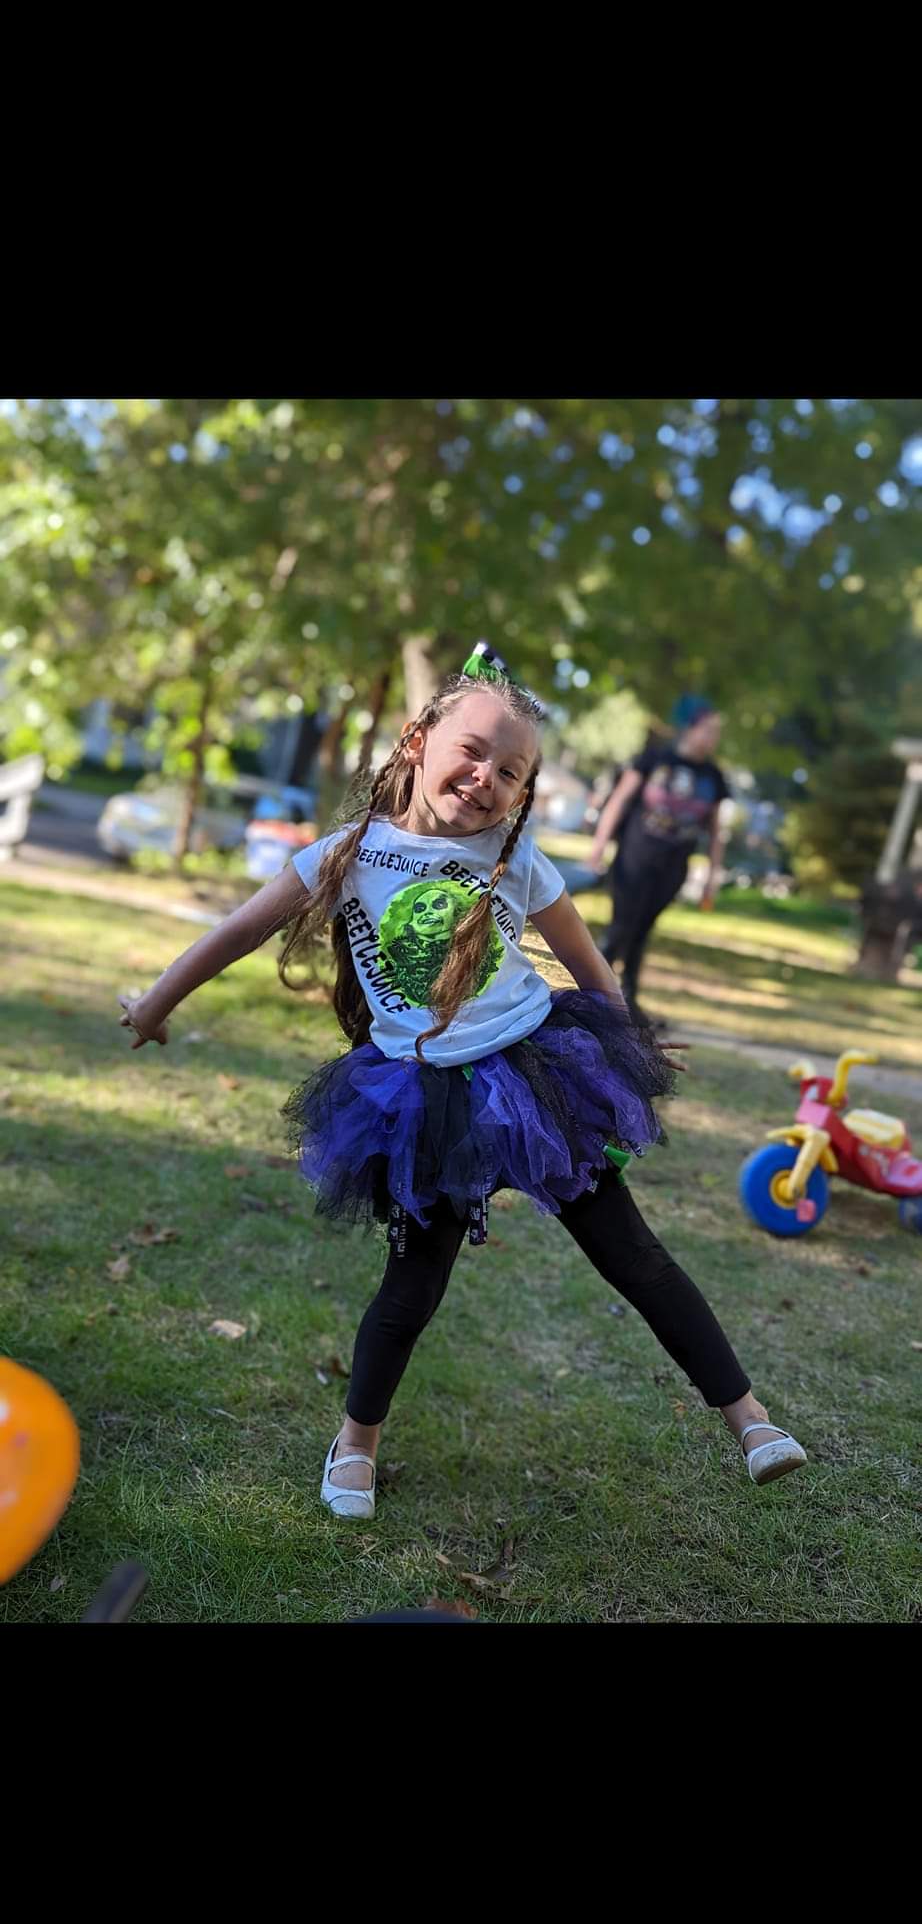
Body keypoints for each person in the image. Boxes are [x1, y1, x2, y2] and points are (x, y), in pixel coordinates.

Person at [118, 645, 805, 1523]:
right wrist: (154, 1005)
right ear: (415, 741)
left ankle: (752, 1423)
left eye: (509, 772)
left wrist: (633, 1047)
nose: (484, 778)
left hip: (540, 1080)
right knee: (414, 1284)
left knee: (634, 1255)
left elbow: (593, 971)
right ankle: (355, 1445)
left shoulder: (516, 861)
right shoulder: (345, 852)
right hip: (425, 1100)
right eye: (472, 752)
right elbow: (234, 933)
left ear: (523, 796)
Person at [587, 696, 730, 1022]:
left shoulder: (713, 776)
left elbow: (716, 831)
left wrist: (712, 875)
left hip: (673, 867)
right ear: (690, 729)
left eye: (716, 733)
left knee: (642, 931)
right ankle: (593, 995)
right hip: (634, 857)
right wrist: (599, 845)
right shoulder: (654, 759)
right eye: (708, 730)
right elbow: (620, 800)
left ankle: (627, 1000)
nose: (712, 738)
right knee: (622, 926)